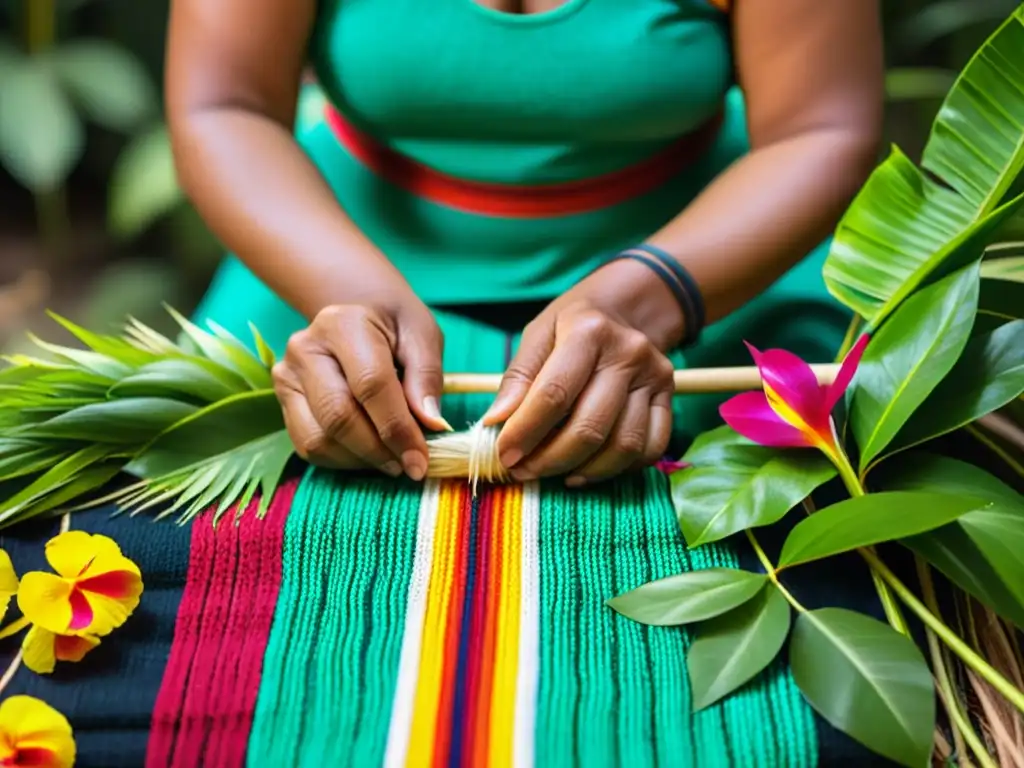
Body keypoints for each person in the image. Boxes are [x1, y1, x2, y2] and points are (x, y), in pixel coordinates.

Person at [166, 0, 884, 487]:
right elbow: (226, 105)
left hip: (716, 262)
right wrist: (352, 296)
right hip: (331, 256)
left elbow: (818, 129)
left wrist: (647, 299)